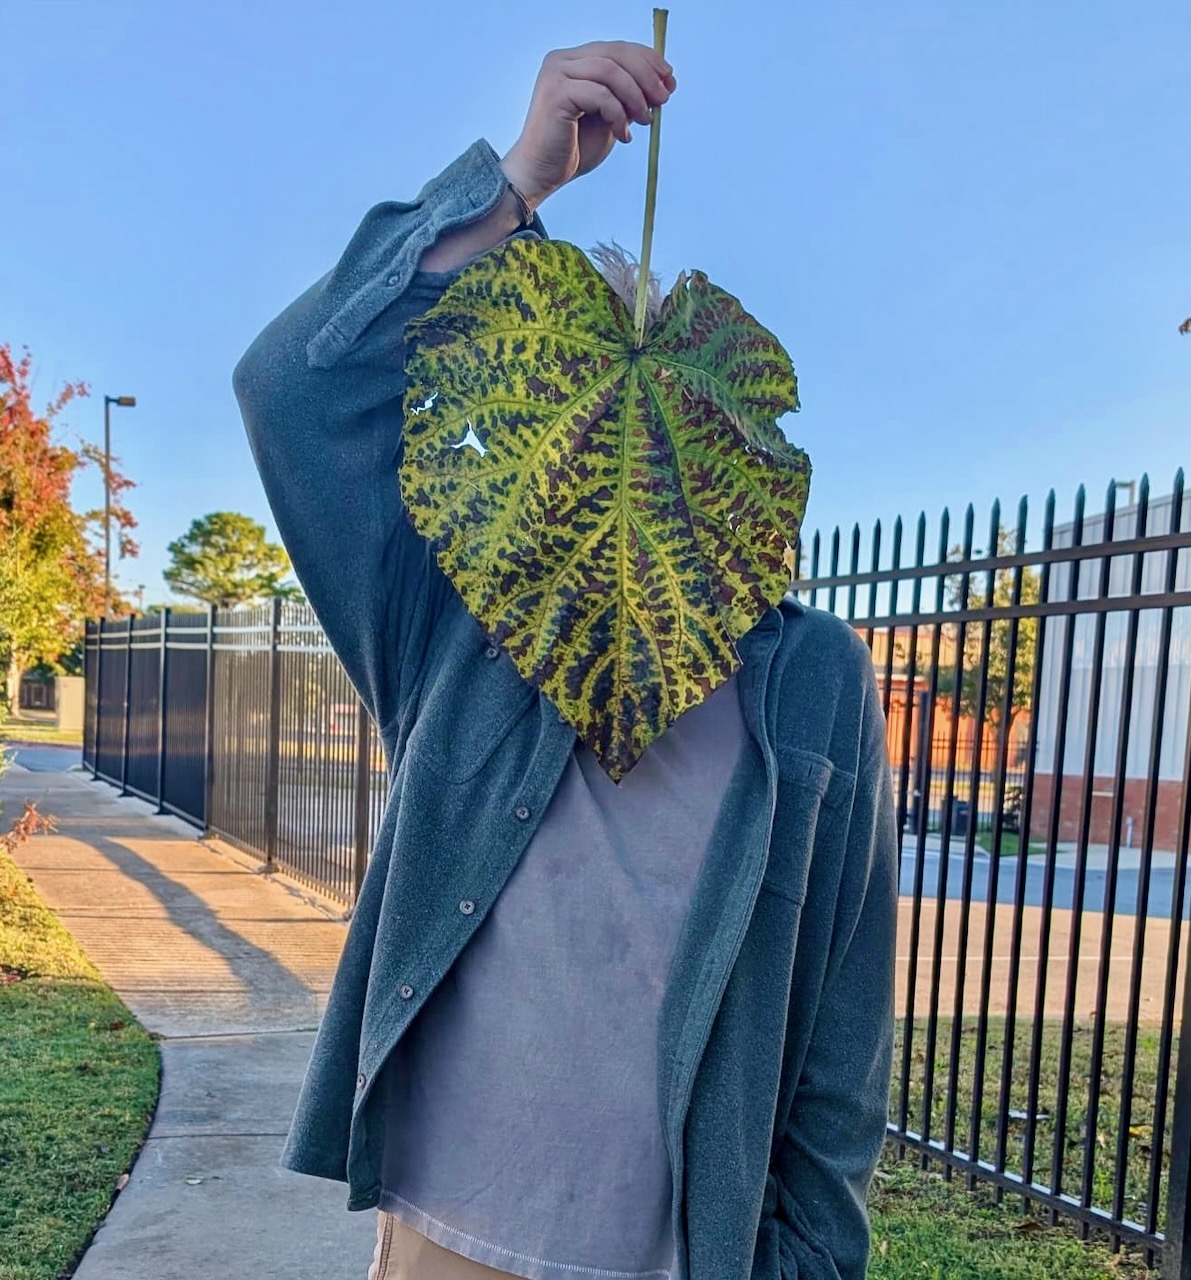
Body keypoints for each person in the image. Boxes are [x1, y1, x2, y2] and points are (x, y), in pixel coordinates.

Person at [232, 38, 898, 1280]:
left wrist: (811, 1257)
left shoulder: (811, 680)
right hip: (443, 1233)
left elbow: (841, 1041)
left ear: (739, 458)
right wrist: (519, 183)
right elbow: (288, 389)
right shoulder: (462, 626)